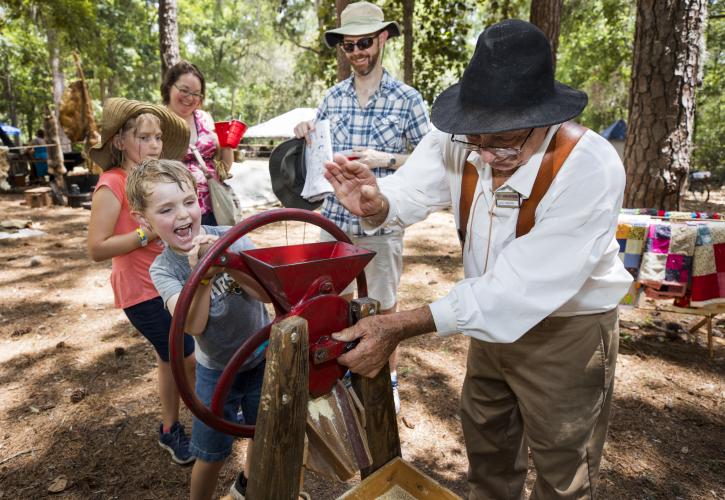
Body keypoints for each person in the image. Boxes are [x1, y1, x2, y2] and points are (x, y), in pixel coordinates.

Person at [324, 20, 633, 499]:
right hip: (486, 326)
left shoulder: (589, 167)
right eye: (477, 141)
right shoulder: (462, 137)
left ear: (543, 119)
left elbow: (519, 287)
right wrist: (378, 203)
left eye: (505, 141)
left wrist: (401, 324)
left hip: (566, 334)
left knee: (562, 469)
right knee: (489, 450)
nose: (486, 156)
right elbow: (411, 188)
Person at [293, 0, 429, 413]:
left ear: (383, 38)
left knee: (384, 308)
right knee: (331, 306)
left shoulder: (408, 99)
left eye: (365, 42)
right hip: (333, 222)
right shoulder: (331, 99)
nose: (357, 52)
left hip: (382, 226)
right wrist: (306, 135)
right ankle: (338, 382)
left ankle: (386, 386)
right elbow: (316, 166)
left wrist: (382, 159)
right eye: (348, 46)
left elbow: (431, 162)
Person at [127, 159, 269, 500]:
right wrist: (204, 276)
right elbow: (193, 324)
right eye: (166, 209)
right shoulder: (163, 270)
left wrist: (227, 261)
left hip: (263, 359)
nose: (182, 215)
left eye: (189, 202)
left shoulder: (231, 239)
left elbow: (265, 293)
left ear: (199, 201)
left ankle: (250, 484)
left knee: (264, 434)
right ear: (144, 220)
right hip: (216, 372)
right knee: (210, 455)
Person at [87, 98, 196, 465]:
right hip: (142, 291)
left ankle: (169, 428)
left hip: (168, 280)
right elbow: (97, 248)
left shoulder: (152, 182)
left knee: (170, 359)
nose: (154, 145)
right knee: (187, 356)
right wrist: (145, 235)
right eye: (144, 137)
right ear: (119, 142)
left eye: (158, 137)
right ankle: (214, 416)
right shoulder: (113, 184)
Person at [162, 60, 233, 226]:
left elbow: (223, 168)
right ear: (169, 87)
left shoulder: (204, 118)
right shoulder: (156, 120)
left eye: (196, 93)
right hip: (177, 214)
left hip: (213, 208)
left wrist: (228, 145)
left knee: (217, 251)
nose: (190, 98)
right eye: (184, 90)